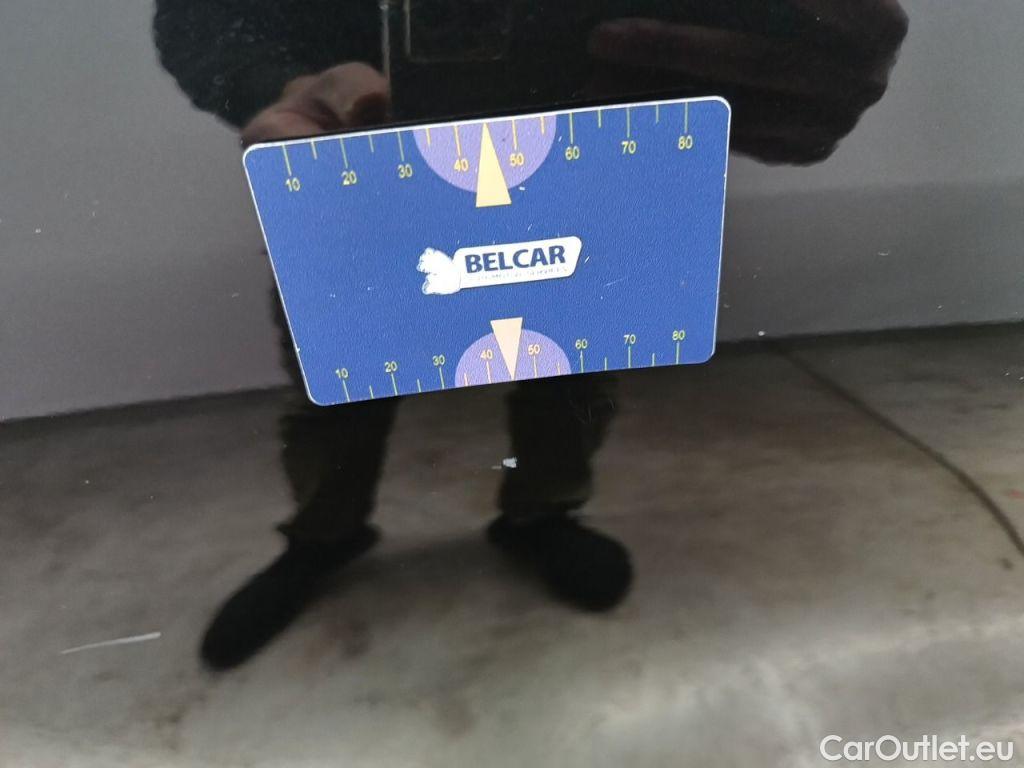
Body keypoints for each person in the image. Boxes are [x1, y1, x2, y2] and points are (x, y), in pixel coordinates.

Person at [153, 0, 907, 669]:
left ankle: (534, 516)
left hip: (562, 163)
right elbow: (197, 17)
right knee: (341, 394)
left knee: (570, 378)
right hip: (362, 165)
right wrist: (277, 85)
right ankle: (331, 534)